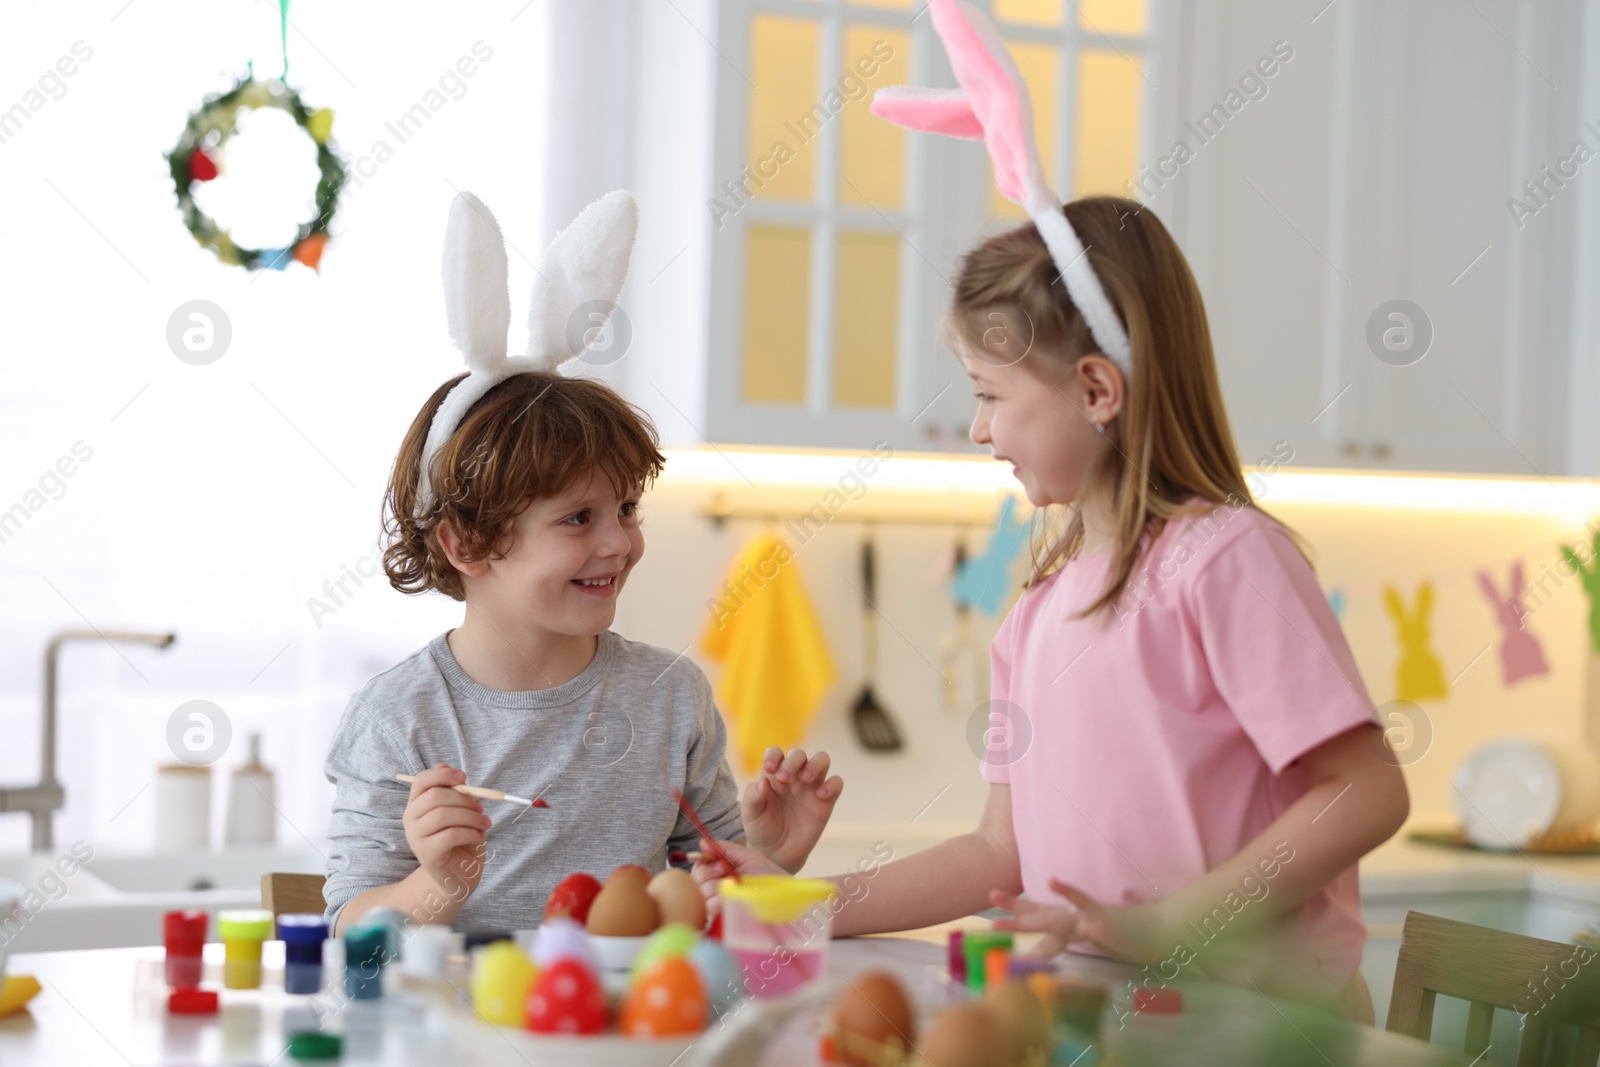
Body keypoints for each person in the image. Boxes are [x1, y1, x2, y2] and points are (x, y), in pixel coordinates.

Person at [694, 1, 1406, 1023]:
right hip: (1113, 1016)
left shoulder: (1222, 560)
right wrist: (801, 904)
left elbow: (1367, 789)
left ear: (1095, 390)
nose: (978, 428)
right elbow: (1000, 852)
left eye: (991, 393)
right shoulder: (1039, 603)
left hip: (1257, 1030)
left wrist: (1177, 921)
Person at [324, 190, 841, 934]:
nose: (619, 543)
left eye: (626, 509)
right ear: (466, 544)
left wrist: (767, 856)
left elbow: (712, 903)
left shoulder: (670, 697)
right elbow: (349, 929)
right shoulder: (398, 718)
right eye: (577, 518)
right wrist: (438, 883)